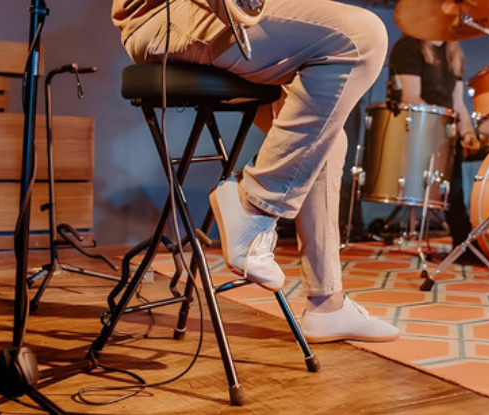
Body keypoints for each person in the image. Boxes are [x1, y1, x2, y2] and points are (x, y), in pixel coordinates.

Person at [112, 0, 399, 343]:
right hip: (167, 14)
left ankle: (327, 305)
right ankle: (254, 209)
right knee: (361, 35)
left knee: (328, 139)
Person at [388, 35, 481, 248]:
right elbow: (411, 97)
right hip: (422, 126)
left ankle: (465, 237)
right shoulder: (408, 46)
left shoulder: (454, 51)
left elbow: (458, 103)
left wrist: (467, 133)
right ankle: (463, 238)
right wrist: (444, 125)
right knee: (452, 184)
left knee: (460, 179)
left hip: (447, 126)